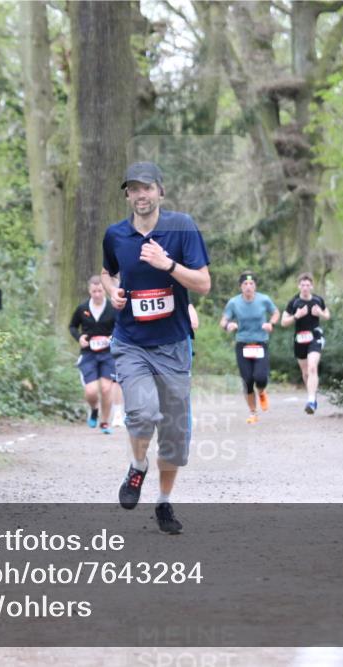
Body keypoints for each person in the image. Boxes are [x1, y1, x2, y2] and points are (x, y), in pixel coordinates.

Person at [101, 161, 211, 535]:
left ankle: (164, 503)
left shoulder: (182, 228)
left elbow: (203, 283)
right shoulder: (115, 235)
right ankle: (137, 466)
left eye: (147, 187)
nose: (140, 195)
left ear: (160, 191)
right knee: (143, 413)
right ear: (128, 195)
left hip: (174, 346)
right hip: (131, 343)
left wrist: (168, 264)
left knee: (176, 436)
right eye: (133, 189)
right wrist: (114, 290)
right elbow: (107, 271)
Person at [220, 271, 279, 424]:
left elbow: (276, 313)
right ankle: (253, 413)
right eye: (245, 284)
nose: (248, 287)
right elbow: (223, 321)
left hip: (260, 343)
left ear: (255, 286)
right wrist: (228, 325)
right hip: (242, 344)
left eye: (251, 284)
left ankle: (262, 392)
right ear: (240, 287)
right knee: (247, 381)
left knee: (260, 377)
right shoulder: (234, 303)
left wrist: (270, 324)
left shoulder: (264, 300)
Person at [68, 276, 118, 434]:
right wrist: (79, 338)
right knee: (91, 391)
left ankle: (104, 422)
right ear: (90, 291)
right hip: (89, 354)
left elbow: (120, 327)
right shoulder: (82, 308)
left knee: (106, 388)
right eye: (94, 291)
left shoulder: (112, 308)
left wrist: (112, 337)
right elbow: (72, 326)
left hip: (108, 354)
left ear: (104, 290)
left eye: (100, 290)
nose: (97, 294)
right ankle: (94, 409)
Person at [280, 272, 330, 414]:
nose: (305, 288)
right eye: (303, 285)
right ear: (299, 286)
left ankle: (311, 401)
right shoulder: (294, 302)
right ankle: (312, 394)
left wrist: (320, 313)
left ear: (312, 286)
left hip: (315, 336)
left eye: (308, 285)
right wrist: (296, 316)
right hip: (300, 339)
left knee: (312, 367)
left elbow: (327, 315)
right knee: (306, 372)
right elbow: (283, 322)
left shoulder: (318, 300)